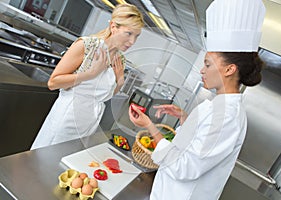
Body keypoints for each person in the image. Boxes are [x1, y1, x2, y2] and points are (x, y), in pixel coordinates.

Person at [128, 0, 265, 199]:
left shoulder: (226, 115)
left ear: (229, 69)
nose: (202, 70)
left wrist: (150, 127)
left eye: (208, 64)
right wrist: (186, 119)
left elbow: (184, 167)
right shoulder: (220, 108)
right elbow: (198, 145)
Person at [31, 4, 144, 150]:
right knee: (44, 159)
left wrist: (120, 81)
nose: (132, 42)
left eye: (137, 36)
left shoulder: (119, 59)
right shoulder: (86, 46)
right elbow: (53, 83)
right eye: (129, 33)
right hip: (67, 118)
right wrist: (90, 74)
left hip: (90, 122)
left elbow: (105, 95)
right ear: (113, 26)